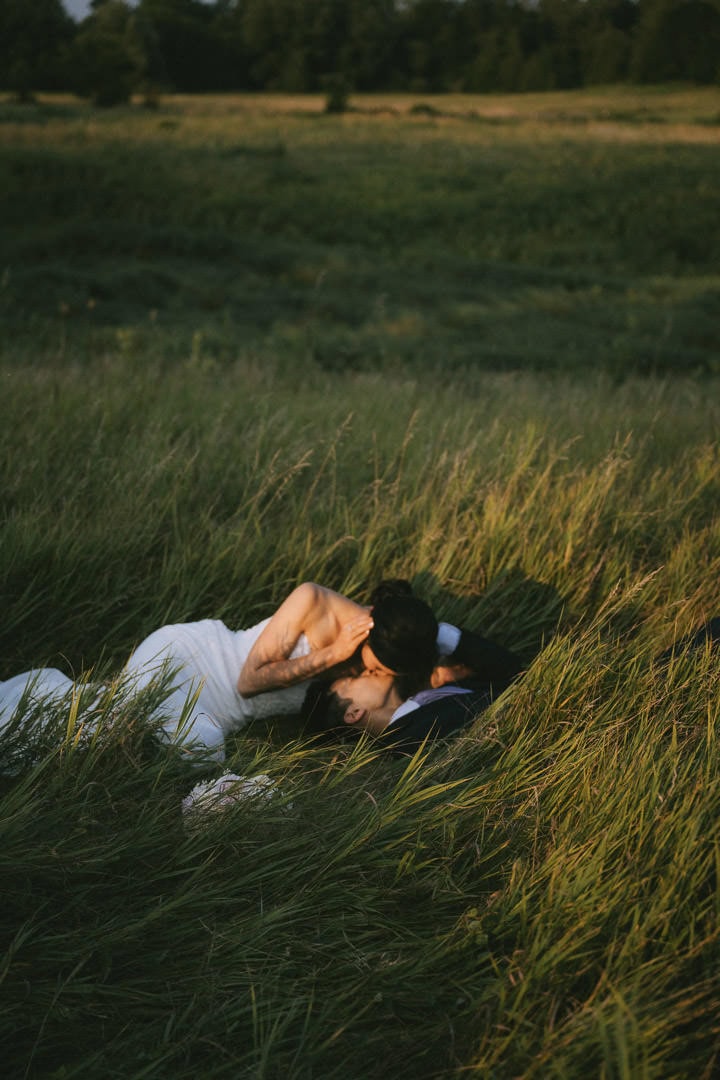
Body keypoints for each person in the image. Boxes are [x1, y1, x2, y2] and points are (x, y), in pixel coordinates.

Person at [0, 580, 444, 763]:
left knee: (123, 718)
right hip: (193, 656)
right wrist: (331, 657)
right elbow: (249, 681)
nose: (370, 672)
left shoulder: (398, 647)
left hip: (217, 708)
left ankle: (36, 703)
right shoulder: (314, 601)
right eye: (374, 664)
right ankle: (16, 725)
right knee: (104, 728)